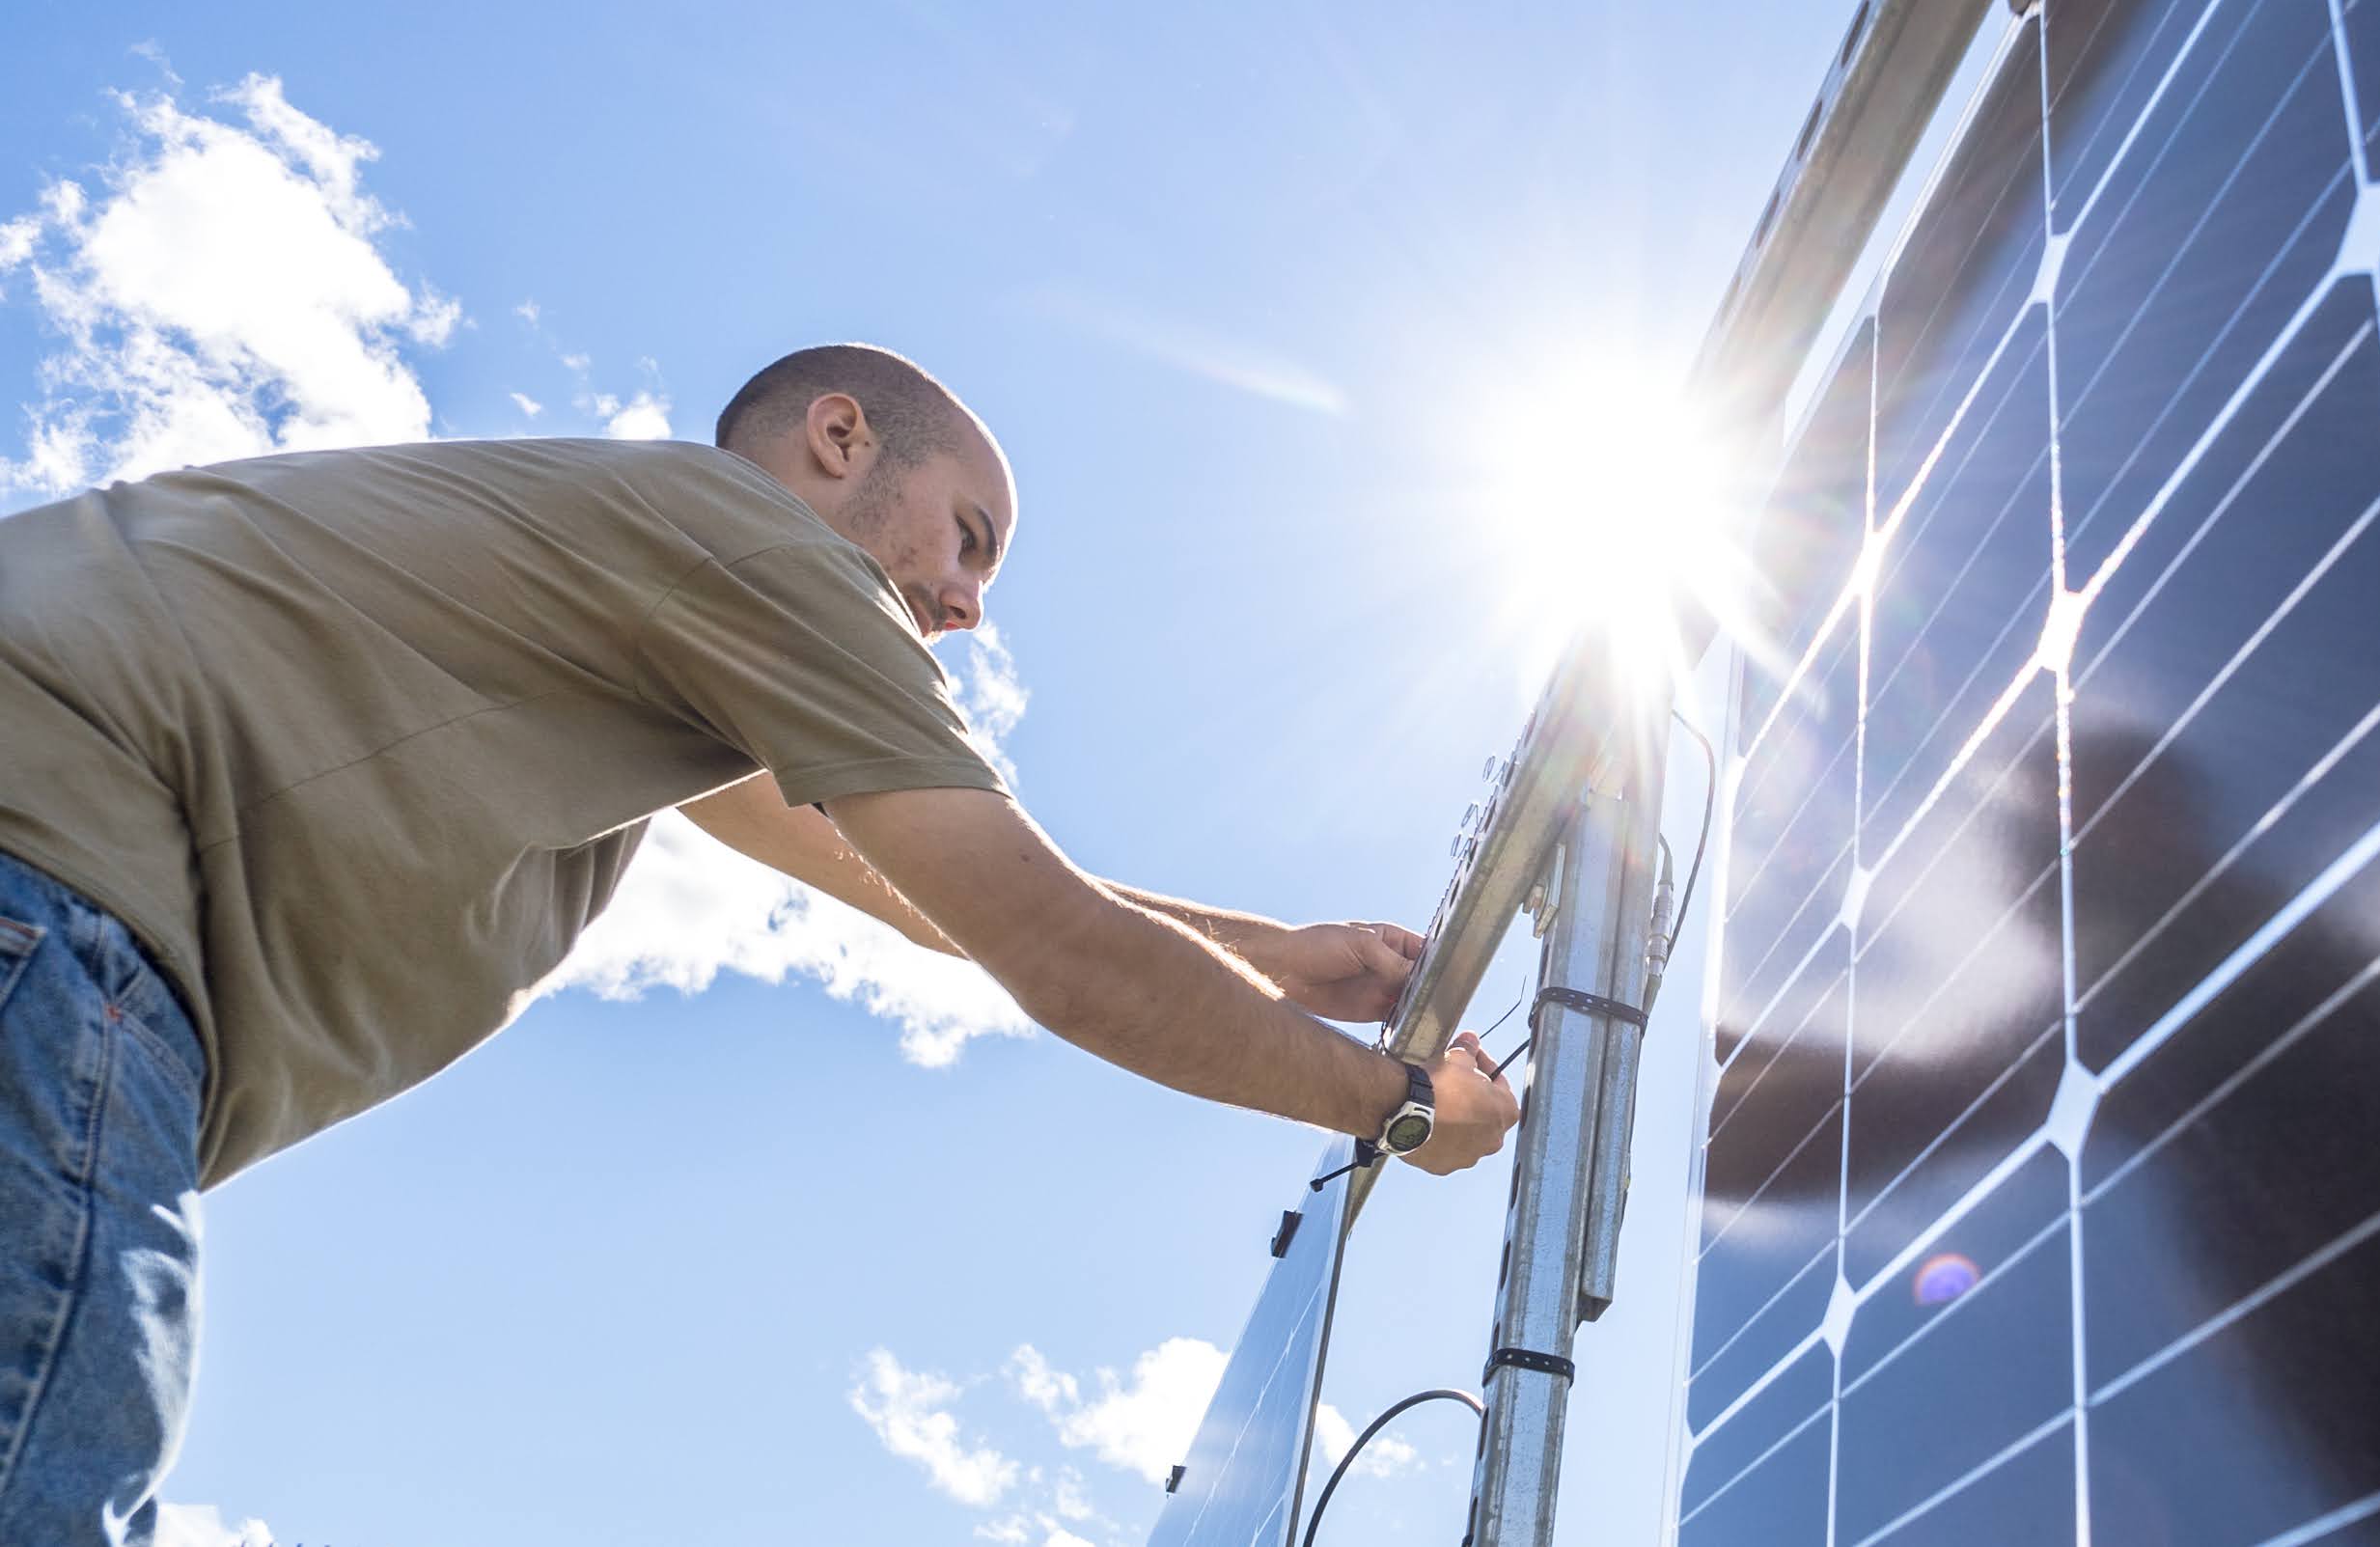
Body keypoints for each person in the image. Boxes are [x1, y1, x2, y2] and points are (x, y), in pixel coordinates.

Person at [0, 343, 1520, 1542]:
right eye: (971, 537)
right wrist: (1394, 1102)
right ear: (841, 439)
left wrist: (1279, 955)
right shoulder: (756, 547)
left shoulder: (643, 596)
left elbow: (924, 895)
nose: (971, 603)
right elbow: (1049, 945)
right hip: (49, 919)